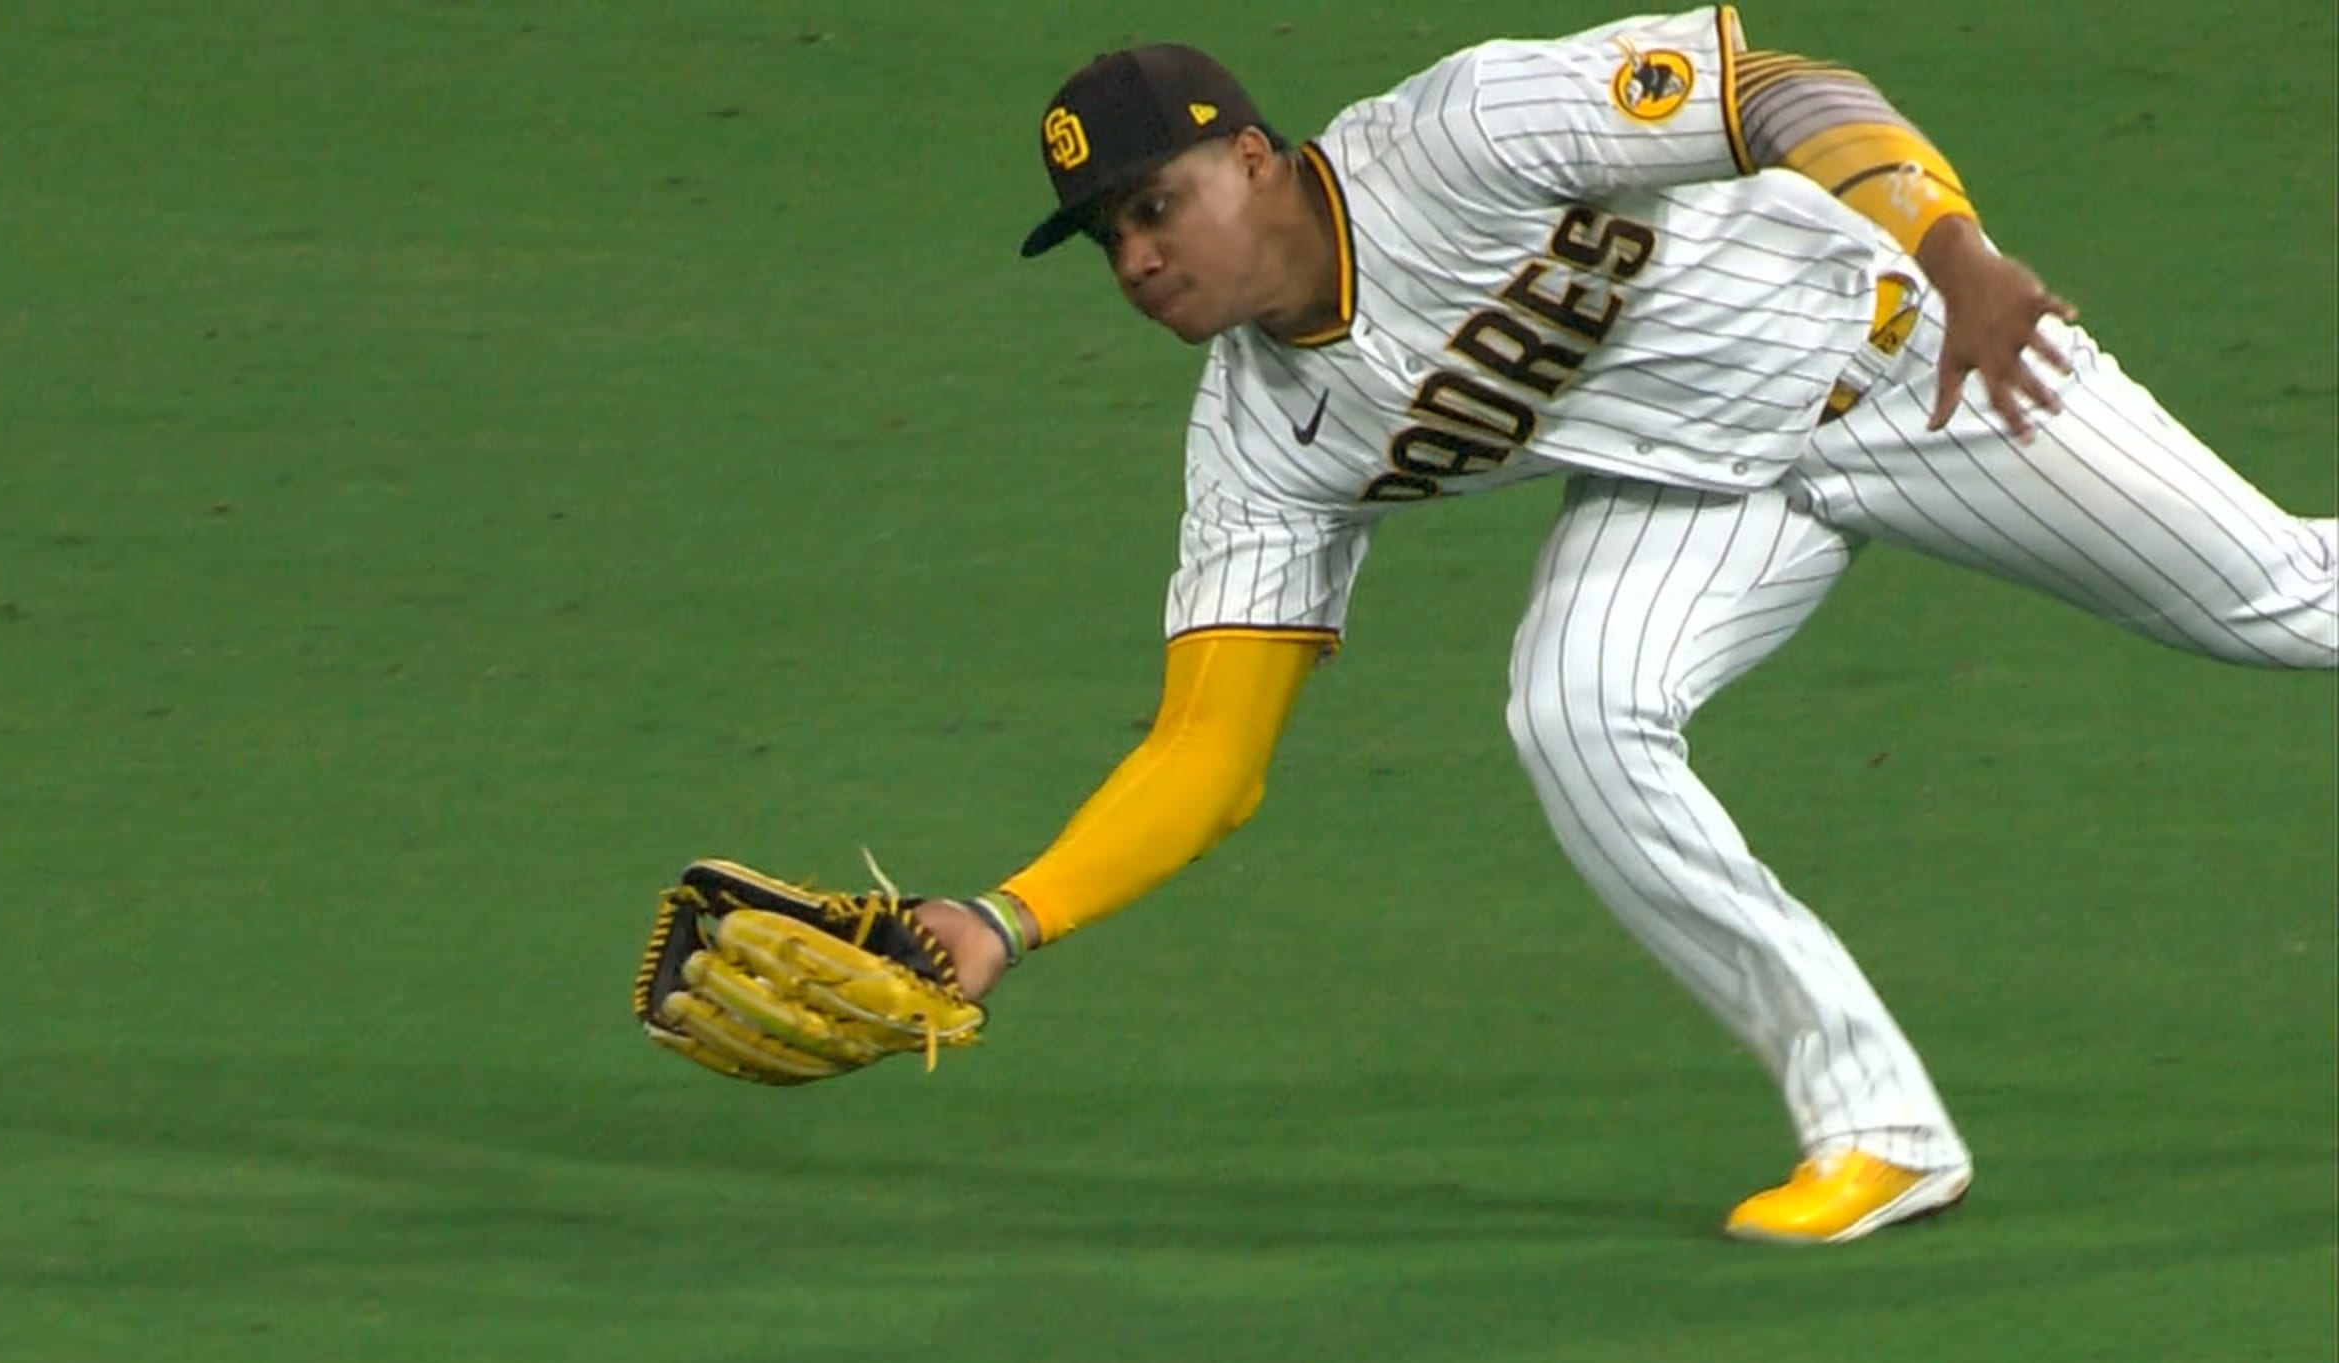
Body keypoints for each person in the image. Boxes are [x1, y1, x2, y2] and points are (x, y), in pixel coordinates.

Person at [903, 5, 2339, 1244]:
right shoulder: (1260, 445)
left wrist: (1955, 252)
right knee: (1575, 712)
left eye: (1156, 206)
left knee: (2278, 601)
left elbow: (1785, 91)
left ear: (1257, 159)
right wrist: (1008, 917)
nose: (1135, 258)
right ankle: (1881, 1133)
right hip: (1699, 492)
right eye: (1107, 237)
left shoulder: (1458, 134)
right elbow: (1207, 752)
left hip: (1914, 360)